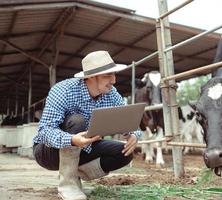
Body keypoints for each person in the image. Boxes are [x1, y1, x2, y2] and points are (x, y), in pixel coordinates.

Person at [32, 50, 142, 200]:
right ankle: (68, 185)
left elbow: (127, 121)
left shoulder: (111, 93)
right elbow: (44, 132)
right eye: (107, 75)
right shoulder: (63, 90)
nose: (114, 80)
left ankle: (74, 176)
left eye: (114, 74)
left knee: (124, 153)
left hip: (86, 146)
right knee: (78, 121)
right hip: (48, 152)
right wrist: (72, 140)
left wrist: (135, 135)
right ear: (90, 76)